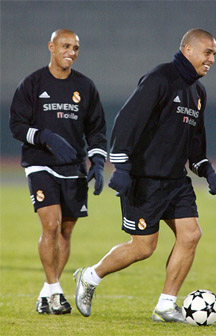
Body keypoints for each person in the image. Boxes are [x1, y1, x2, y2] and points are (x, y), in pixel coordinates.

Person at [73, 28, 216, 323]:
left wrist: (208, 171)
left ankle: (166, 306)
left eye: (214, 55)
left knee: (191, 234)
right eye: (208, 53)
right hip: (145, 179)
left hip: (175, 182)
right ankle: (90, 277)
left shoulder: (198, 92)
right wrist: (122, 168)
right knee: (144, 247)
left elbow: (195, 144)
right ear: (189, 50)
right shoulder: (160, 78)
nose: (211, 60)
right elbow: (126, 120)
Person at [9, 29, 107, 315]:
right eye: (65, 46)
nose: (71, 52)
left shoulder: (85, 87)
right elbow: (17, 126)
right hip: (40, 164)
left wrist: (98, 163)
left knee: (65, 231)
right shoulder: (32, 83)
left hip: (73, 167)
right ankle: (55, 293)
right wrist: (45, 137)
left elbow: (97, 130)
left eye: (76, 48)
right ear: (51, 47)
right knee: (50, 225)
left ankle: (46, 290)